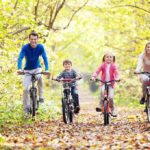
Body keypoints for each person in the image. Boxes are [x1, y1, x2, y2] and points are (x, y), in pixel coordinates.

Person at [17, 31, 50, 116]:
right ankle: (26, 110)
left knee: (40, 77)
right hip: (27, 70)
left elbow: (45, 57)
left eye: (35, 39)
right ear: (29, 39)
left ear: (37, 39)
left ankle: (41, 96)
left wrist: (47, 69)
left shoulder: (40, 47)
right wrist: (19, 68)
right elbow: (20, 57)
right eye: (31, 39)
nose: (33, 41)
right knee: (25, 89)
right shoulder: (25, 47)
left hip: (37, 69)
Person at [91, 52, 120, 117]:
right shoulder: (103, 65)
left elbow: (116, 73)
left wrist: (117, 78)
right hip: (103, 82)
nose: (109, 58)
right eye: (107, 57)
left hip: (111, 83)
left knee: (111, 97)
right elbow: (97, 71)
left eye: (110, 57)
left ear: (113, 59)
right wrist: (94, 76)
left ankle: (112, 109)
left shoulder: (113, 66)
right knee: (102, 92)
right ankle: (100, 105)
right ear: (104, 58)